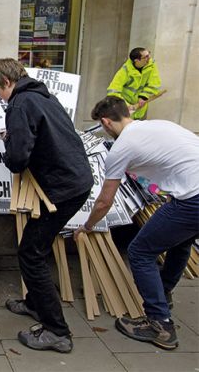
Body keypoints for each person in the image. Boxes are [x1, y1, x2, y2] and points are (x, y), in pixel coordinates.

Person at [74, 96, 199, 350]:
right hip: (192, 195)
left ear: (106, 122)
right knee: (182, 241)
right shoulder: (160, 125)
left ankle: (160, 324)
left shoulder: (121, 148)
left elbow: (104, 202)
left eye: (102, 126)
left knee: (140, 252)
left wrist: (87, 226)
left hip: (192, 200)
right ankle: (163, 293)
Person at [0, 58, 93, 353]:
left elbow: (18, 158)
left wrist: (8, 145)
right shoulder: (44, 95)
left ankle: (57, 331)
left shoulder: (19, 105)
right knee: (36, 247)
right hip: (76, 181)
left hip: (61, 189)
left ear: (7, 82)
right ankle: (35, 303)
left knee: (31, 253)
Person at [107, 47, 162, 120]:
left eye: (149, 54)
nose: (149, 58)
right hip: (126, 112)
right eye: (146, 57)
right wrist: (125, 106)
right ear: (137, 60)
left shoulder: (151, 65)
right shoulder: (125, 70)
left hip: (140, 110)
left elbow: (154, 84)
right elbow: (113, 91)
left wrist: (143, 97)